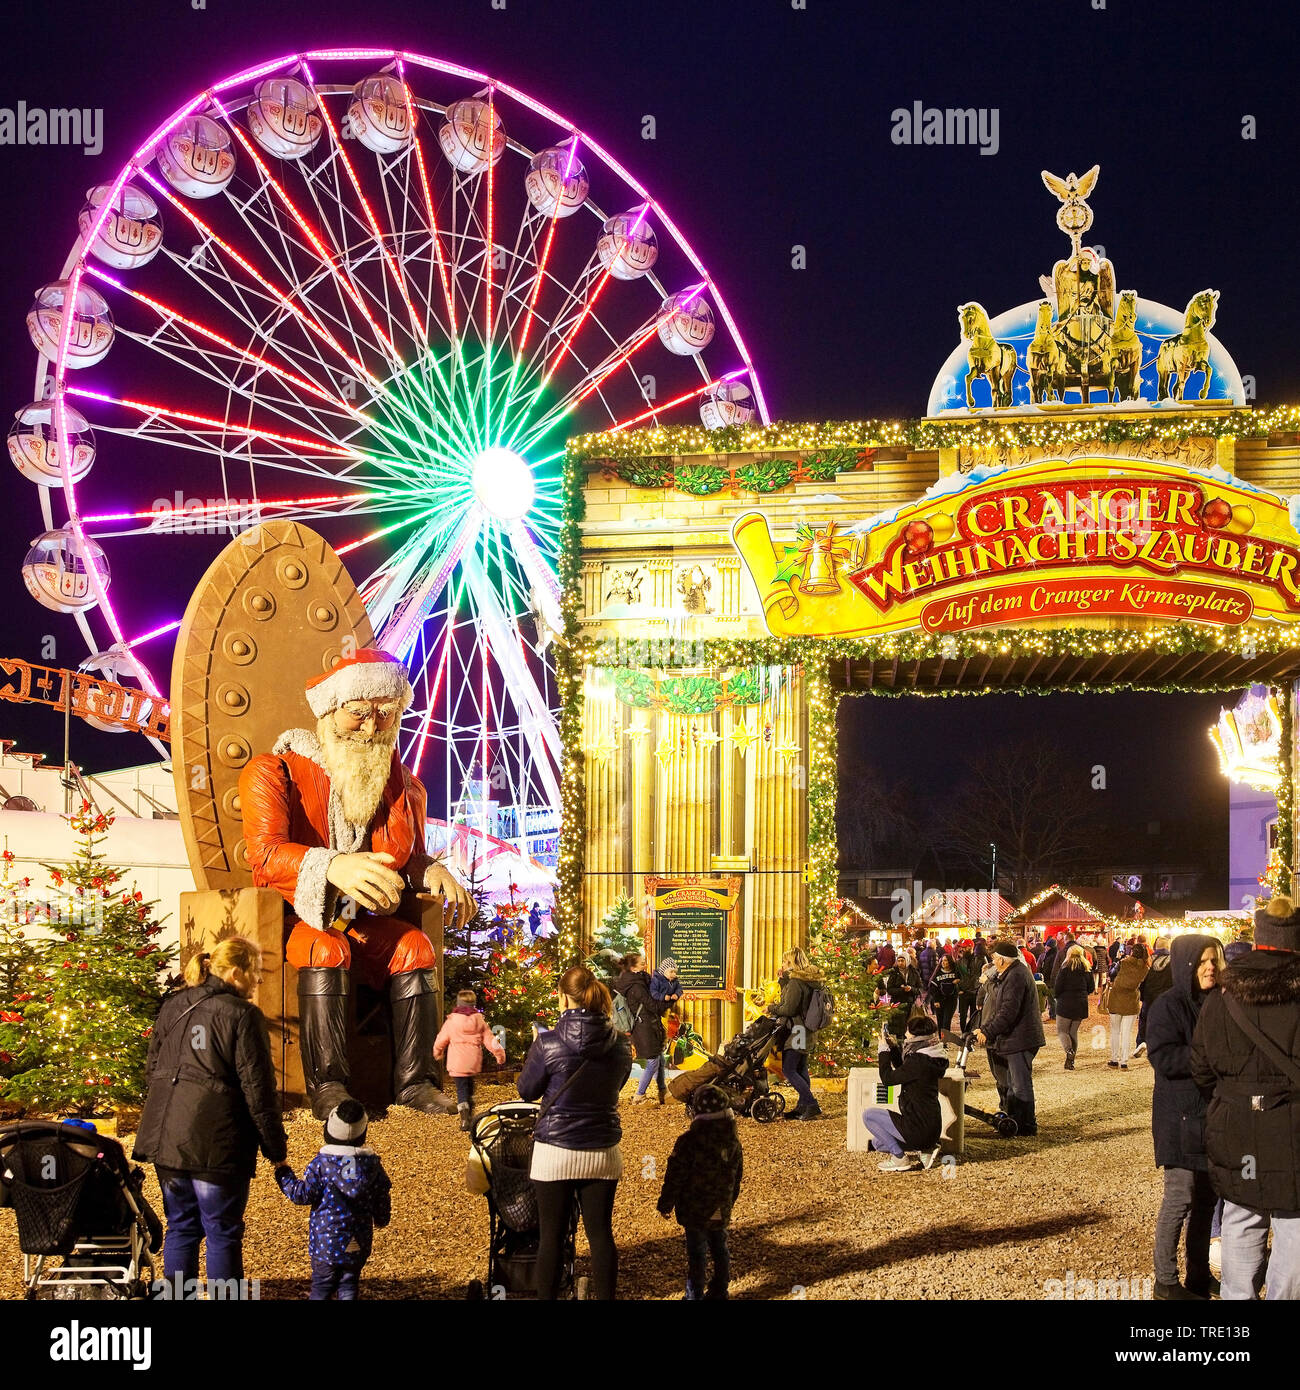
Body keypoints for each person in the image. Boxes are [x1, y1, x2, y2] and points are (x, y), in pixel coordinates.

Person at [239, 648, 472, 1118]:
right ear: (329, 711)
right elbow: (265, 856)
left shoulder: (402, 785)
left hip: (359, 916)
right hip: (303, 913)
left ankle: (417, 1083)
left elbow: (404, 855)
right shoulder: (274, 771)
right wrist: (331, 865)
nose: (372, 729)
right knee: (327, 949)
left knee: (415, 948)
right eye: (359, 715)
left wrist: (432, 868)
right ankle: (328, 1085)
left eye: (385, 716)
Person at [132, 937, 287, 1289]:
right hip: (216, 1142)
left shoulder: (172, 1006)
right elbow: (259, 1090)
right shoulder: (243, 1015)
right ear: (235, 973)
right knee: (222, 1230)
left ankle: (175, 1298)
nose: (259, 980)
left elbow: (153, 1068)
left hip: (166, 1137)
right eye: (256, 972)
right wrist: (276, 1151)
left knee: (182, 1225)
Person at [1191, 897, 1300, 1301]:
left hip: (1236, 1121)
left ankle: (1238, 1298)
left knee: (1242, 1213)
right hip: (1292, 1123)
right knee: (1294, 1220)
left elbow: (1200, 1065)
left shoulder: (1222, 993)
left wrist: (1230, 1097)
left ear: (1258, 936)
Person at [518, 964, 633, 1300]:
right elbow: (617, 1085)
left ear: (562, 997)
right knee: (600, 1235)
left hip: (554, 1150)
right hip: (602, 1149)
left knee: (551, 1235)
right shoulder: (620, 1046)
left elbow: (527, 1091)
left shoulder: (548, 1042)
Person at [1147, 934, 1224, 1301]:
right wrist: (1209, 1058)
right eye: (1204, 961)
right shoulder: (1167, 1006)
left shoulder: (1222, 1002)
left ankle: (1198, 1275)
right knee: (1179, 1197)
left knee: (1208, 1199)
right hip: (1179, 1116)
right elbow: (1162, 1057)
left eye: (1215, 960)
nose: (1211, 967)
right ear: (1188, 964)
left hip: (1211, 1115)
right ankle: (1165, 1280)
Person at [274, 1099, 392, 1301]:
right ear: (363, 1133)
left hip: (325, 1245)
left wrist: (283, 1172)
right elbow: (381, 1196)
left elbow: (301, 1194)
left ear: (328, 1131)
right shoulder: (372, 1167)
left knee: (322, 1286)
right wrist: (382, 1218)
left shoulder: (322, 1165)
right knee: (349, 1284)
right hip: (359, 1241)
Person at [656, 1084, 744, 1299]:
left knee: (697, 1253)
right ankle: (720, 1289)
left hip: (694, 1208)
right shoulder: (732, 1142)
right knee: (719, 1247)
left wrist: (666, 1202)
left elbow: (675, 1175)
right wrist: (729, 1201)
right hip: (719, 1206)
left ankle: (694, 1294)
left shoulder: (688, 1142)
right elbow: (737, 1176)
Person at [975, 941, 1045, 1136]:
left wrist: (986, 1031)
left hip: (1021, 1038)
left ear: (1001, 959)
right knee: (1014, 1084)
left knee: (1020, 1084)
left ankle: (1027, 1125)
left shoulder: (1015, 976)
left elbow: (1008, 1012)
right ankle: (1016, 1121)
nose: (993, 963)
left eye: (994, 959)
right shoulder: (1014, 973)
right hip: (1016, 1037)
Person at [863, 1015, 949, 1172]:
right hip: (931, 1127)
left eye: (908, 1032)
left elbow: (888, 1079)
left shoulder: (919, 1060)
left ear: (917, 1036)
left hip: (918, 1126)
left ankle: (900, 1159)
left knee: (869, 1116)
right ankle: (926, 1149)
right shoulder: (930, 1056)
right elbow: (904, 1069)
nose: (906, 1034)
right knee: (878, 1143)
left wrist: (882, 1051)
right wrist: (893, 1048)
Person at [434, 988, 506, 1131]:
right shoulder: (479, 1021)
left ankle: (464, 1118)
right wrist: (500, 1055)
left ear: (458, 1004)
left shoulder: (452, 1021)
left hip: (456, 1062)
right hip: (472, 1062)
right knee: (470, 1088)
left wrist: (438, 1052)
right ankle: (470, 1113)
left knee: (461, 1089)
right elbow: (491, 1040)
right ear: (474, 1005)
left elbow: (441, 1039)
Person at [769, 947, 826, 1121]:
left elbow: (788, 1007)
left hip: (797, 1030)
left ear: (791, 963)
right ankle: (802, 1107)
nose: (782, 965)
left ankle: (811, 1104)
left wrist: (771, 1008)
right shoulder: (808, 980)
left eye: (785, 962)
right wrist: (782, 981)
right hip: (806, 1029)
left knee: (789, 1069)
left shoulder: (796, 982)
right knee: (800, 1068)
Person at [613, 953, 670, 1105]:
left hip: (647, 1024)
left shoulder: (638, 980)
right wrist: (668, 1002)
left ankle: (663, 1090)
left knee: (658, 1057)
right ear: (633, 968)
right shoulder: (637, 987)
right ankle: (639, 1096)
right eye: (642, 963)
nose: (645, 964)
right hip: (644, 1026)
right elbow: (652, 1005)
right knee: (653, 1061)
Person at [1052, 944, 1093, 1070]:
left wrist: (1056, 996)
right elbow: (1091, 987)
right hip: (1080, 1003)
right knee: (1073, 1032)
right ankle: (1071, 1062)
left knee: (1062, 1031)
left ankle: (1069, 1051)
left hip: (1065, 1003)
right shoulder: (1087, 968)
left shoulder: (1065, 968)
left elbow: (1058, 987)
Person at [1108, 943, 1149, 1069]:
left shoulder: (1123, 963)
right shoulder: (1145, 968)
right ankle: (1124, 1061)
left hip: (1116, 999)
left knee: (1115, 1031)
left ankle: (1114, 1059)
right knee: (1126, 1033)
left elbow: (1112, 974)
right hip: (1131, 1000)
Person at [1135, 935, 1174, 1057]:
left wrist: (1142, 995)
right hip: (1166, 997)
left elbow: (1142, 979)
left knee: (1144, 1019)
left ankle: (1142, 1042)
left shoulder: (1149, 960)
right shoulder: (1173, 961)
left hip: (1150, 995)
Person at [883, 948, 922, 1040]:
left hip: (910, 1003)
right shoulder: (894, 973)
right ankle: (900, 1043)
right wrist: (901, 990)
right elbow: (889, 990)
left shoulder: (914, 972)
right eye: (899, 960)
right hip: (898, 1003)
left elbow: (919, 988)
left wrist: (911, 989)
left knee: (910, 1025)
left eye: (902, 960)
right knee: (899, 1029)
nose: (900, 963)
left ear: (907, 960)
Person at [928, 951, 960, 1036]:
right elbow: (933, 988)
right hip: (940, 1000)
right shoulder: (937, 973)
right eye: (942, 961)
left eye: (946, 960)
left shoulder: (956, 971)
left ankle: (945, 1039)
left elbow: (962, 981)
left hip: (951, 1000)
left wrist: (958, 984)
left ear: (950, 962)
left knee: (947, 1021)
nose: (944, 963)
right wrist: (936, 1000)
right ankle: (941, 1038)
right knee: (940, 1021)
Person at [955, 945, 982, 1033]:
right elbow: (956, 977)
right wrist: (959, 990)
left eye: (967, 947)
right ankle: (964, 1032)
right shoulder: (959, 962)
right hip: (964, 991)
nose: (965, 949)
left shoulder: (979, 959)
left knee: (974, 1014)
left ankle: (971, 1032)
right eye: (964, 947)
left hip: (975, 990)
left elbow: (983, 974)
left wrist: (979, 988)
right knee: (963, 1015)